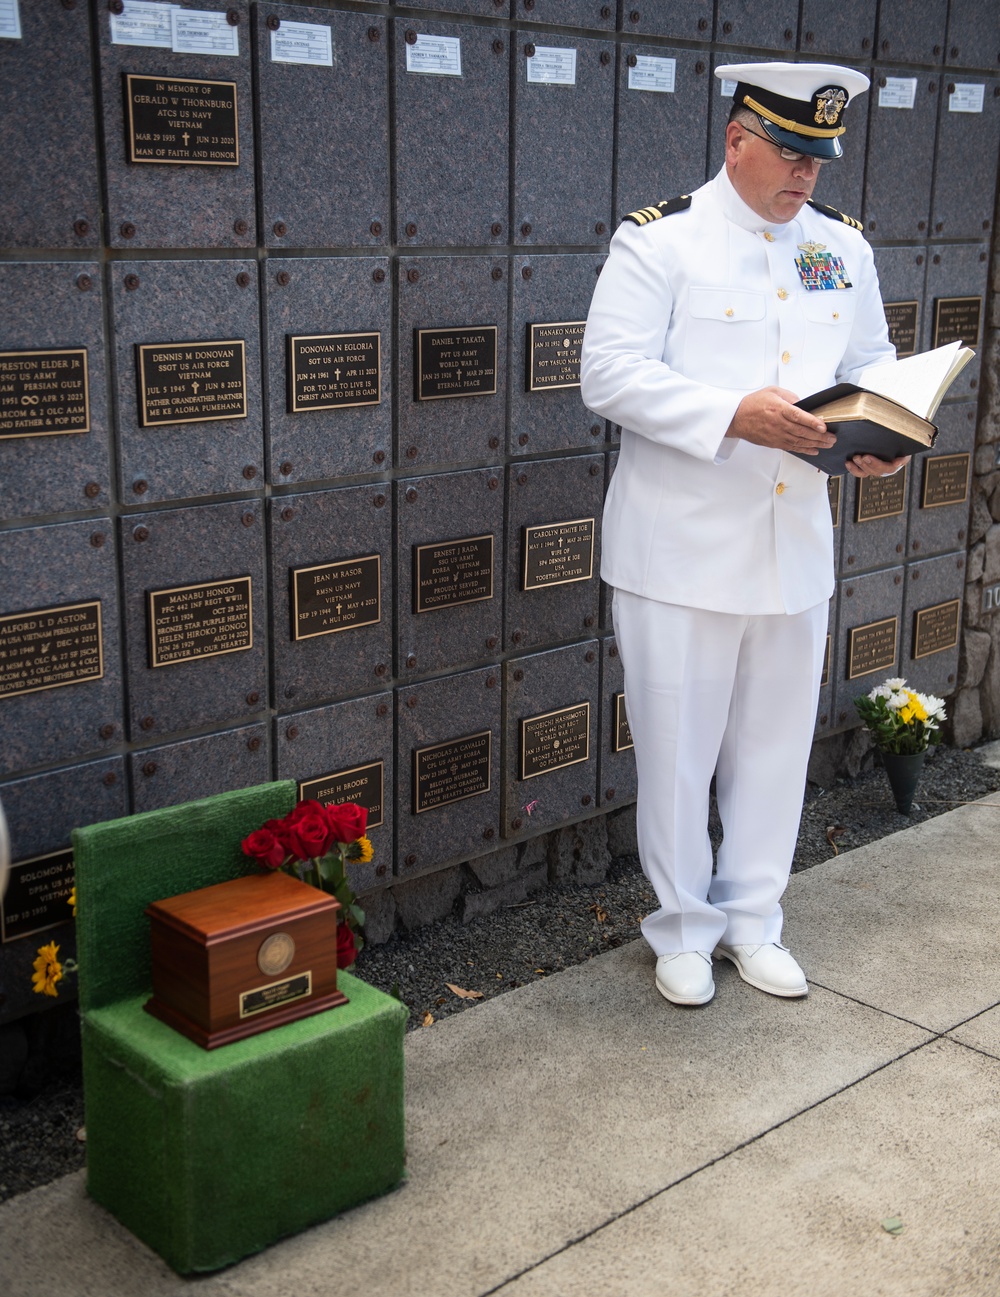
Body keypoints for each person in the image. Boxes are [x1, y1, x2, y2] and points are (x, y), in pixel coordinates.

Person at [580, 62, 903, 1007]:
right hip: (679, 551)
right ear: (737, 141)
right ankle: (682, 928)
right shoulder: (662, 242)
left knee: (773, 748)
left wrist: (877, 438)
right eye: (792, 152)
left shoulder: (840, 248)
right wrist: (733, 413)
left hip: (791, 543)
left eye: (821, 157)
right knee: (679, 753)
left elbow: (870, 359)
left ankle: (755, 919)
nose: (808, 175)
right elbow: (608, 374)